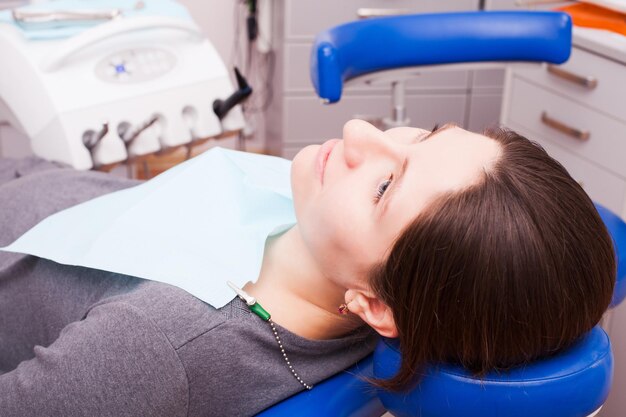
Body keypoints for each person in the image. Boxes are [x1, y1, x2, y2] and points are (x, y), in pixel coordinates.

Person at [0, 119, 615, 416]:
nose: (359, 131)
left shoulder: (155, 347)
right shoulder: (374, 268)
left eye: (384, 185)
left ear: (376, 307)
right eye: (422, 135)